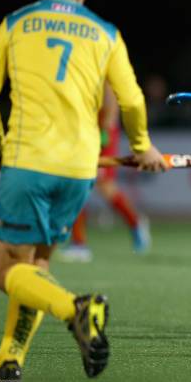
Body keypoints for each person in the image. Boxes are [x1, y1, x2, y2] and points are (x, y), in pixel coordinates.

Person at [0, 0, 168, 380]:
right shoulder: (106, 32)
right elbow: (132, 99)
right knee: (35, 266)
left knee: (4, 270)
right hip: (80, 169)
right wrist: (142, 145)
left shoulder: (17, 22)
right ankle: (9, 361)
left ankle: (75, 309)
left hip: (28, 160)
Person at [59, 83, 151, 263]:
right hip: (82, 131)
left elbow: (110, 105)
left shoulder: (101, 63)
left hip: (102, 133)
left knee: (103, 186)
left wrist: (103, 135)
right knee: (77, 183)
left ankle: (135, 223)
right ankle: (78, 243)